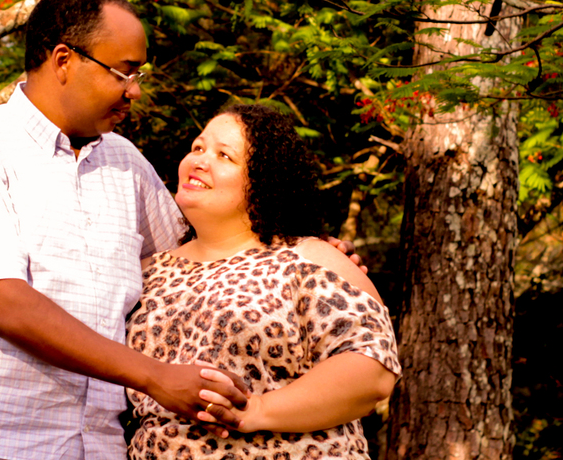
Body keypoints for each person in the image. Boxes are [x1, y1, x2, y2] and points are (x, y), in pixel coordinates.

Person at [0, 0, 253, 460]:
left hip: (96, 448)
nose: (135, 91)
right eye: (123, 73)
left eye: (139, 75)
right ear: (64, 60)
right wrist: (153, 376)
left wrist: (304, 253)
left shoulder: (126, 163)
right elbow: (8, 308)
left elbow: (197, 258)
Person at [126, 104, 401, 460]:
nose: (199, 160)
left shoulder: (309, 259)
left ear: (262, 180)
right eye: (197, 147)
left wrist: (256, 411)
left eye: (224, 155)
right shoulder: (148, 272)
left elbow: (371, 371)